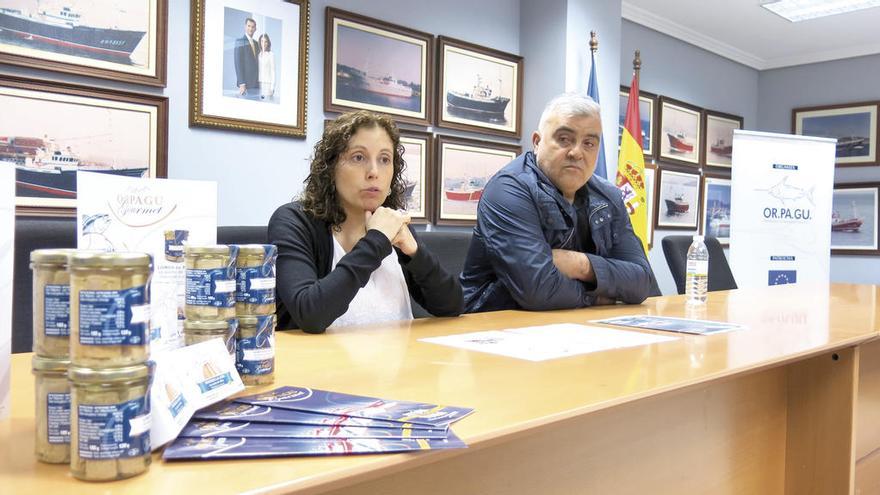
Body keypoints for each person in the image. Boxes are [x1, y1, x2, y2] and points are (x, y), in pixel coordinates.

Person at [269, 111, 464, 333]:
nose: (374, 172)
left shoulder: (393, 224)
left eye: (384, 160)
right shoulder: (294, 221)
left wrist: (416, 255)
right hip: (323, 365)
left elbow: (452, 306)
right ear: (330, 168)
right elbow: (311, 314)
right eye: (358, 157)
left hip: (401, 364)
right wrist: (376, 241)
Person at [460, 93, 651, 313]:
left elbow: (642, 281)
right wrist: (598, 296)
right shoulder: (508, 189)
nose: (576, 152)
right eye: (564, 139)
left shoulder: (609, 196)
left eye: (589, 143)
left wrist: (581, 265)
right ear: (537, 142)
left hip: (570, 327)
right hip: (490, 326)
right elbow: (538, 290)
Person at [234, 17, 259, 97]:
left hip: (256, 83)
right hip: (245, 84)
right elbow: (238, 63)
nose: (250, 29)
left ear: (255, 29)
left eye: (253, 27)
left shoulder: (256, 43)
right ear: (245, 27)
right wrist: (242, 83)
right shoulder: (240, 41)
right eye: (249, 26)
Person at [257, 33, 275, 101]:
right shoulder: (258, 54)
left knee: (266, 102)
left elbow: (273, 71)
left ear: (268, 43)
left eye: (265, 41)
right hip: (258, 83)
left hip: (267, 84)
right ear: (260, 42)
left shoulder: (271, 54)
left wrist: (272, 87)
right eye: (262, 41)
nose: (263, 43)